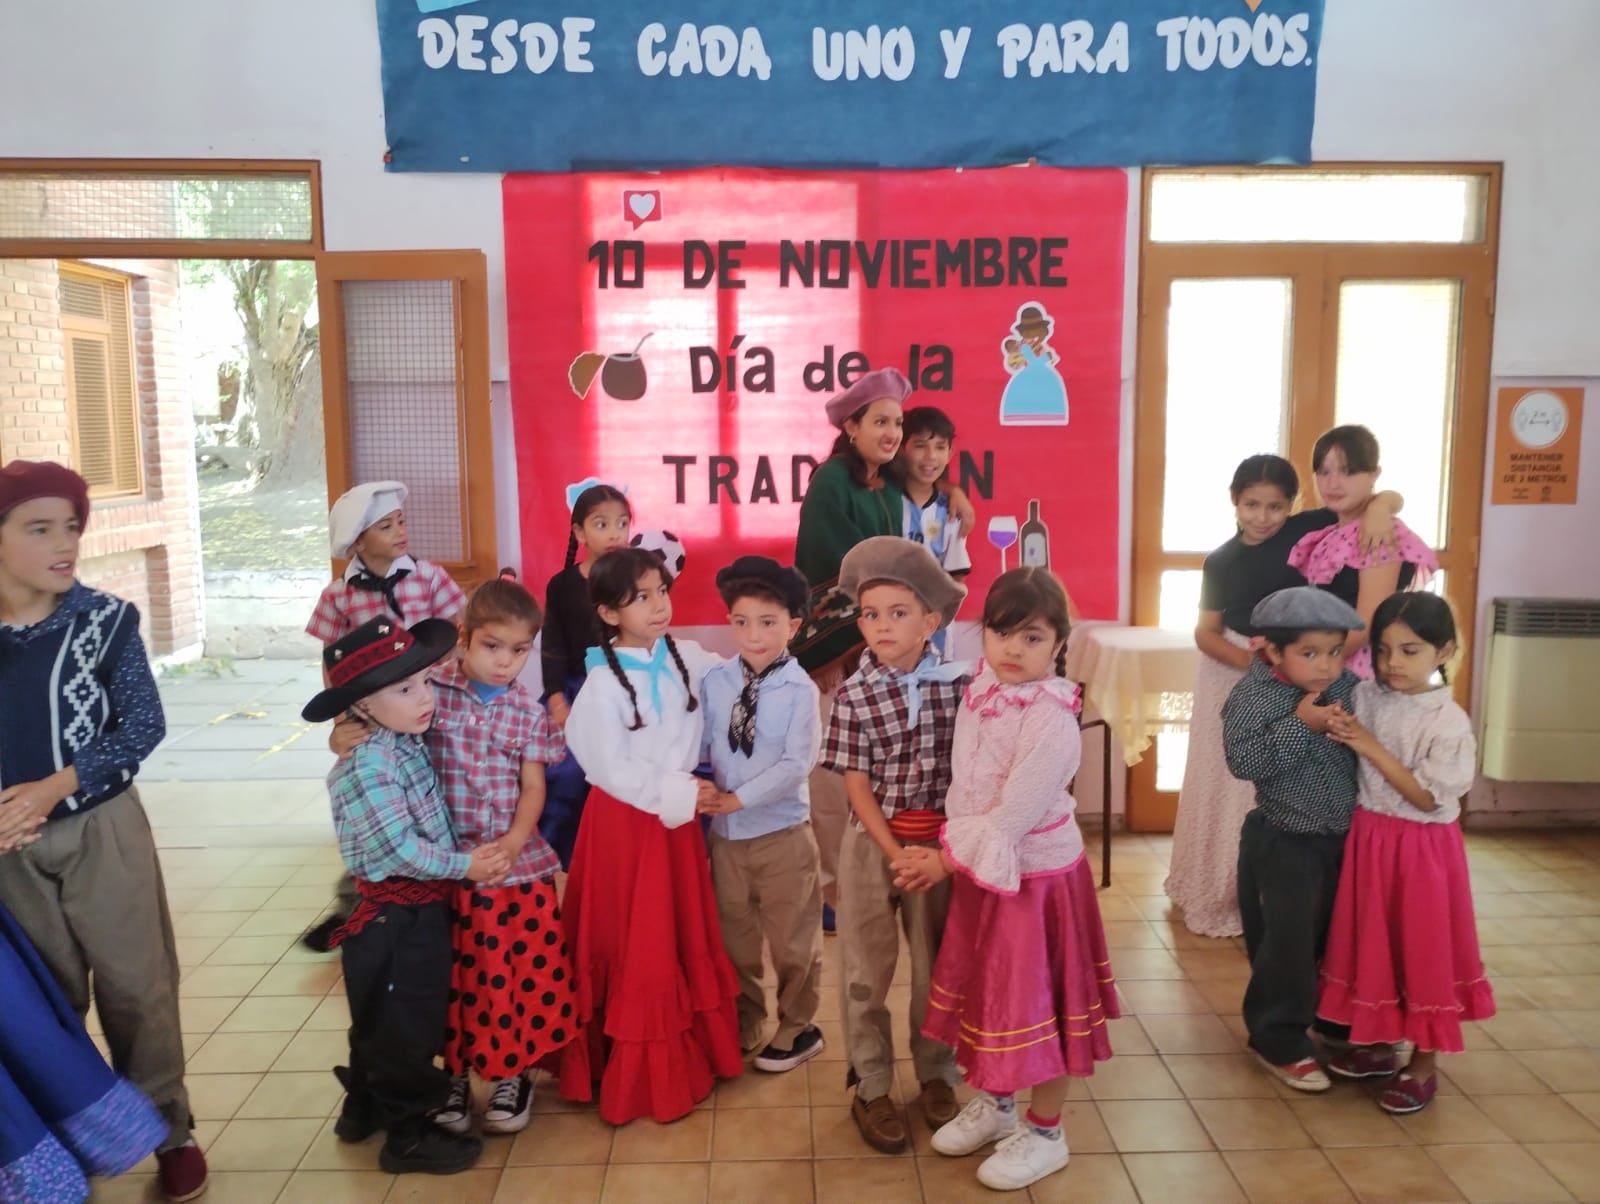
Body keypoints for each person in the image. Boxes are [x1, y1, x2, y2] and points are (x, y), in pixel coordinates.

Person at [0, 459, 208, 1202]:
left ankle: (169, 1131)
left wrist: (56, 787)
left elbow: (141, 725)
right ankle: (67, 1137)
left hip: (101, 828)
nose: (65, 544)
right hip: (7, 853)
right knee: (45, 1004)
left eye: (72, 528)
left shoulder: (107, 619)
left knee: (137, 986)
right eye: (39, 528)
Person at [896, 567, 1117, 1192]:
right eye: (1001, 633)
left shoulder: (1051, 718)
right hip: (982, 874)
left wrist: (941, 858)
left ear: (1058, 644)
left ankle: (1047, 1133)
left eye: (1032, 637)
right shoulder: (982, 687)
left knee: (1041, 1009)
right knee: (990, 1001)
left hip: (1037, 884)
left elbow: (1013, 815)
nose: (1013, 649)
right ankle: (997, 1107)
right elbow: (965, 784)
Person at [333, 579, 580, 1136]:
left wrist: (515, 843)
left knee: (515, 975)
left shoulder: (526, 712)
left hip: (513, 870)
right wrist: (341, 736)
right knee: (452, 983)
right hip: (444, 867)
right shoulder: (430, 692)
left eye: (520, 651)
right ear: (464, 640)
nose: (505, 662)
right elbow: (374, 730)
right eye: (493, 646)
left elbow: (533, 787)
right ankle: (452, 1076)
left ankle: (513, 1072)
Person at [303, 616, 508, 1176]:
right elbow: (399, 848)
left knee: (379, 1015)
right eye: (405, 688)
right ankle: (408, 1135)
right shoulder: (372, 762)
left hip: (407, 910)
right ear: (361, 706)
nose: (425, 697)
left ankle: (363, 1105)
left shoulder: (398, 737)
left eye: (422, 681)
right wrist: (465, 864)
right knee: (405, 1025)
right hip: (396, 916)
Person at [1165, 454, 1401, 939]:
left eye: (1276, 506)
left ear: (1293, 505)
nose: (1263, 516)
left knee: (1291, 767)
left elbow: (1378, 499)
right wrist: (1258, 664)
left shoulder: (1308, 529)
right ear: (1235, 501)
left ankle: (1282, 894)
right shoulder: (1221, 560)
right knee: (1231, 780)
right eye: (1252, 504)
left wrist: (1383, 508)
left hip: (1300, 663)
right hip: (1238, 665)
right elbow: (1206, 632)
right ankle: (1223, 888)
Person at [556, 546, 743, 1124]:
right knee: (635, 938)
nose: (659, 605)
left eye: (662, 591)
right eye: (642, 598)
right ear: (610, 613)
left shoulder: (687, 656)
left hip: (676, 823)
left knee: (675, 931)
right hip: (626, 828)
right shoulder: (600, 687)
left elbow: (743, 673)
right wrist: (685, 795)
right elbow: (605, 767)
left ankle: (694, 1052)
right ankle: (628, 1071)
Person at [793, 368, 973, 934]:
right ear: (851, 427)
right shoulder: (830, 482)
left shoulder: (888, 484)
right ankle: (832, 884)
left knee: (892, 768)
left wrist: (954, 490)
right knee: (834, 772)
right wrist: (861, 637)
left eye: (897, 422)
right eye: (881, 422)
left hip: (889, 651)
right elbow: (843, 572)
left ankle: (896, 868)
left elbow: (925, 503)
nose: (893, 432)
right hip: (838, 652)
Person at [820, 536, 970, 1154]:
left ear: (931, 621)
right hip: (872, 844)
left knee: (937, 968)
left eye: (898, 613)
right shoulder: (855, 692)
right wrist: (891, 851)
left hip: (938, 847)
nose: (881, 626)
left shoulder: (961, 687)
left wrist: (932, 851)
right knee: (865, 968)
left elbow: (972, 773)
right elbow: (857, 787)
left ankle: (936, 1072)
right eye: (869, 614)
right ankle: (872, 1082)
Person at [1317, 592, 1494, 1114]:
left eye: (1410, 650)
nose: (1393, 663)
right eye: (1384, 649)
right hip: (1370, 838)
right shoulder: (1368, 696)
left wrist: (1368, 745)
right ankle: (1375, 1045)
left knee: (1422, 949)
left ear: (1443, 651)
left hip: (1421, 850)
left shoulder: (1448, 721)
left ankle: (1423, 1063)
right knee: (1374, 943)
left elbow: (1426, 796)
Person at [303, 481, 468, 952]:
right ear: (358, 541)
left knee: (432, 798)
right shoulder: (338, 596)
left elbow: (459, 625)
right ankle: (356, 907)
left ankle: (444, 899)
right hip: (376, 714)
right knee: (379, 812)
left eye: (401, 521)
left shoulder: (428, 577)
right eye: (386, 526)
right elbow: (330, 659)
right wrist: (339, 723)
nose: (400, 532)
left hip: (430, 703)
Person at [1222, 586, 1364, 1091]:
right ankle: (1276, 1038)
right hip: (1284, 842)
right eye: (1309, 653)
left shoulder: (1347, 688)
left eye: (1333, 651)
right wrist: (1300, 725)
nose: (1326, 666)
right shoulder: (1252, 696)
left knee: (1338, 936)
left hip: (1343, 840)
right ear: (1272, 651)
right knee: (1287, 944)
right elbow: (1244, 763)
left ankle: (1333, 1023)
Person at [699, 556, 825, 1073]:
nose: (753, 635)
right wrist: (702, 786)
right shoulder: (715, 681)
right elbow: (704, 741)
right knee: (735, 939)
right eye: (741, 622)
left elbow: (798, 763)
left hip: (782, 837)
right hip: (726, 838)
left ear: (793, 626)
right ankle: (746, 1017)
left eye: (768, 623)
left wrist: (738, 799)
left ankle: (799, 1026)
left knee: (793, 941)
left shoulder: (801, 691)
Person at [1289, 426, 1437, 679]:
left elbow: (1366, 624)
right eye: (1324, 472)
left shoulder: (1378, 533)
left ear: (1374, 474)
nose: (1332, 483)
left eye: (1348, 472)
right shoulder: (1330, 531)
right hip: (1327, 662)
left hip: (1355, 673)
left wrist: (1305, 660)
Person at [538, 483, 632, 866]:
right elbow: (553, 649)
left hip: (629, 691)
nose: (614, 533)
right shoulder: (561, 586)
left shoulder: (634, 577)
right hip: (576, 692)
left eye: (622, 524)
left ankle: (617, 859)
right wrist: (558, 701)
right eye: (602, 524)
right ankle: (565, 863)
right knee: (565, 774)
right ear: (579, 533)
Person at [897, 405, 972, 660]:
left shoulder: (950, 512)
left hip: (935, 631)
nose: (931, 456)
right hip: (888, 625)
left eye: (940, 447)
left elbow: (956, 579)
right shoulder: (884, 502)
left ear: (950, 453)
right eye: (920, 445)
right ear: (901, 448)